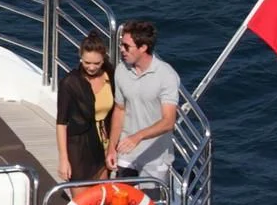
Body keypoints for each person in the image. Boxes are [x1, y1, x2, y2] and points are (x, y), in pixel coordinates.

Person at [112, 19, 183, 185]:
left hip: (155, 157)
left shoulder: (166, 75)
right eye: (122, 45)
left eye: (126, 46)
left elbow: (168, 121)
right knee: (120, 202)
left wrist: (138, 137)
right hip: (126, 153)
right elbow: (119, 109)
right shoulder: (121, 70)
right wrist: (112, 148)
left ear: (143, 47)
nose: (122, 50)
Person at [52, 32, 122, 182]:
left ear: (104, 60)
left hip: (105, 143)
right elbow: (61, 123)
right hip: (80, 145)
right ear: (80, 58)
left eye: (96, 63)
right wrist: (64, 159)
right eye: (86, 62)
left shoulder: (111, 75)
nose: (91, 67)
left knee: (102, 197)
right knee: (82, 199)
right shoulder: (70, 83)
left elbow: (119, 109)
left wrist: (113, 145)